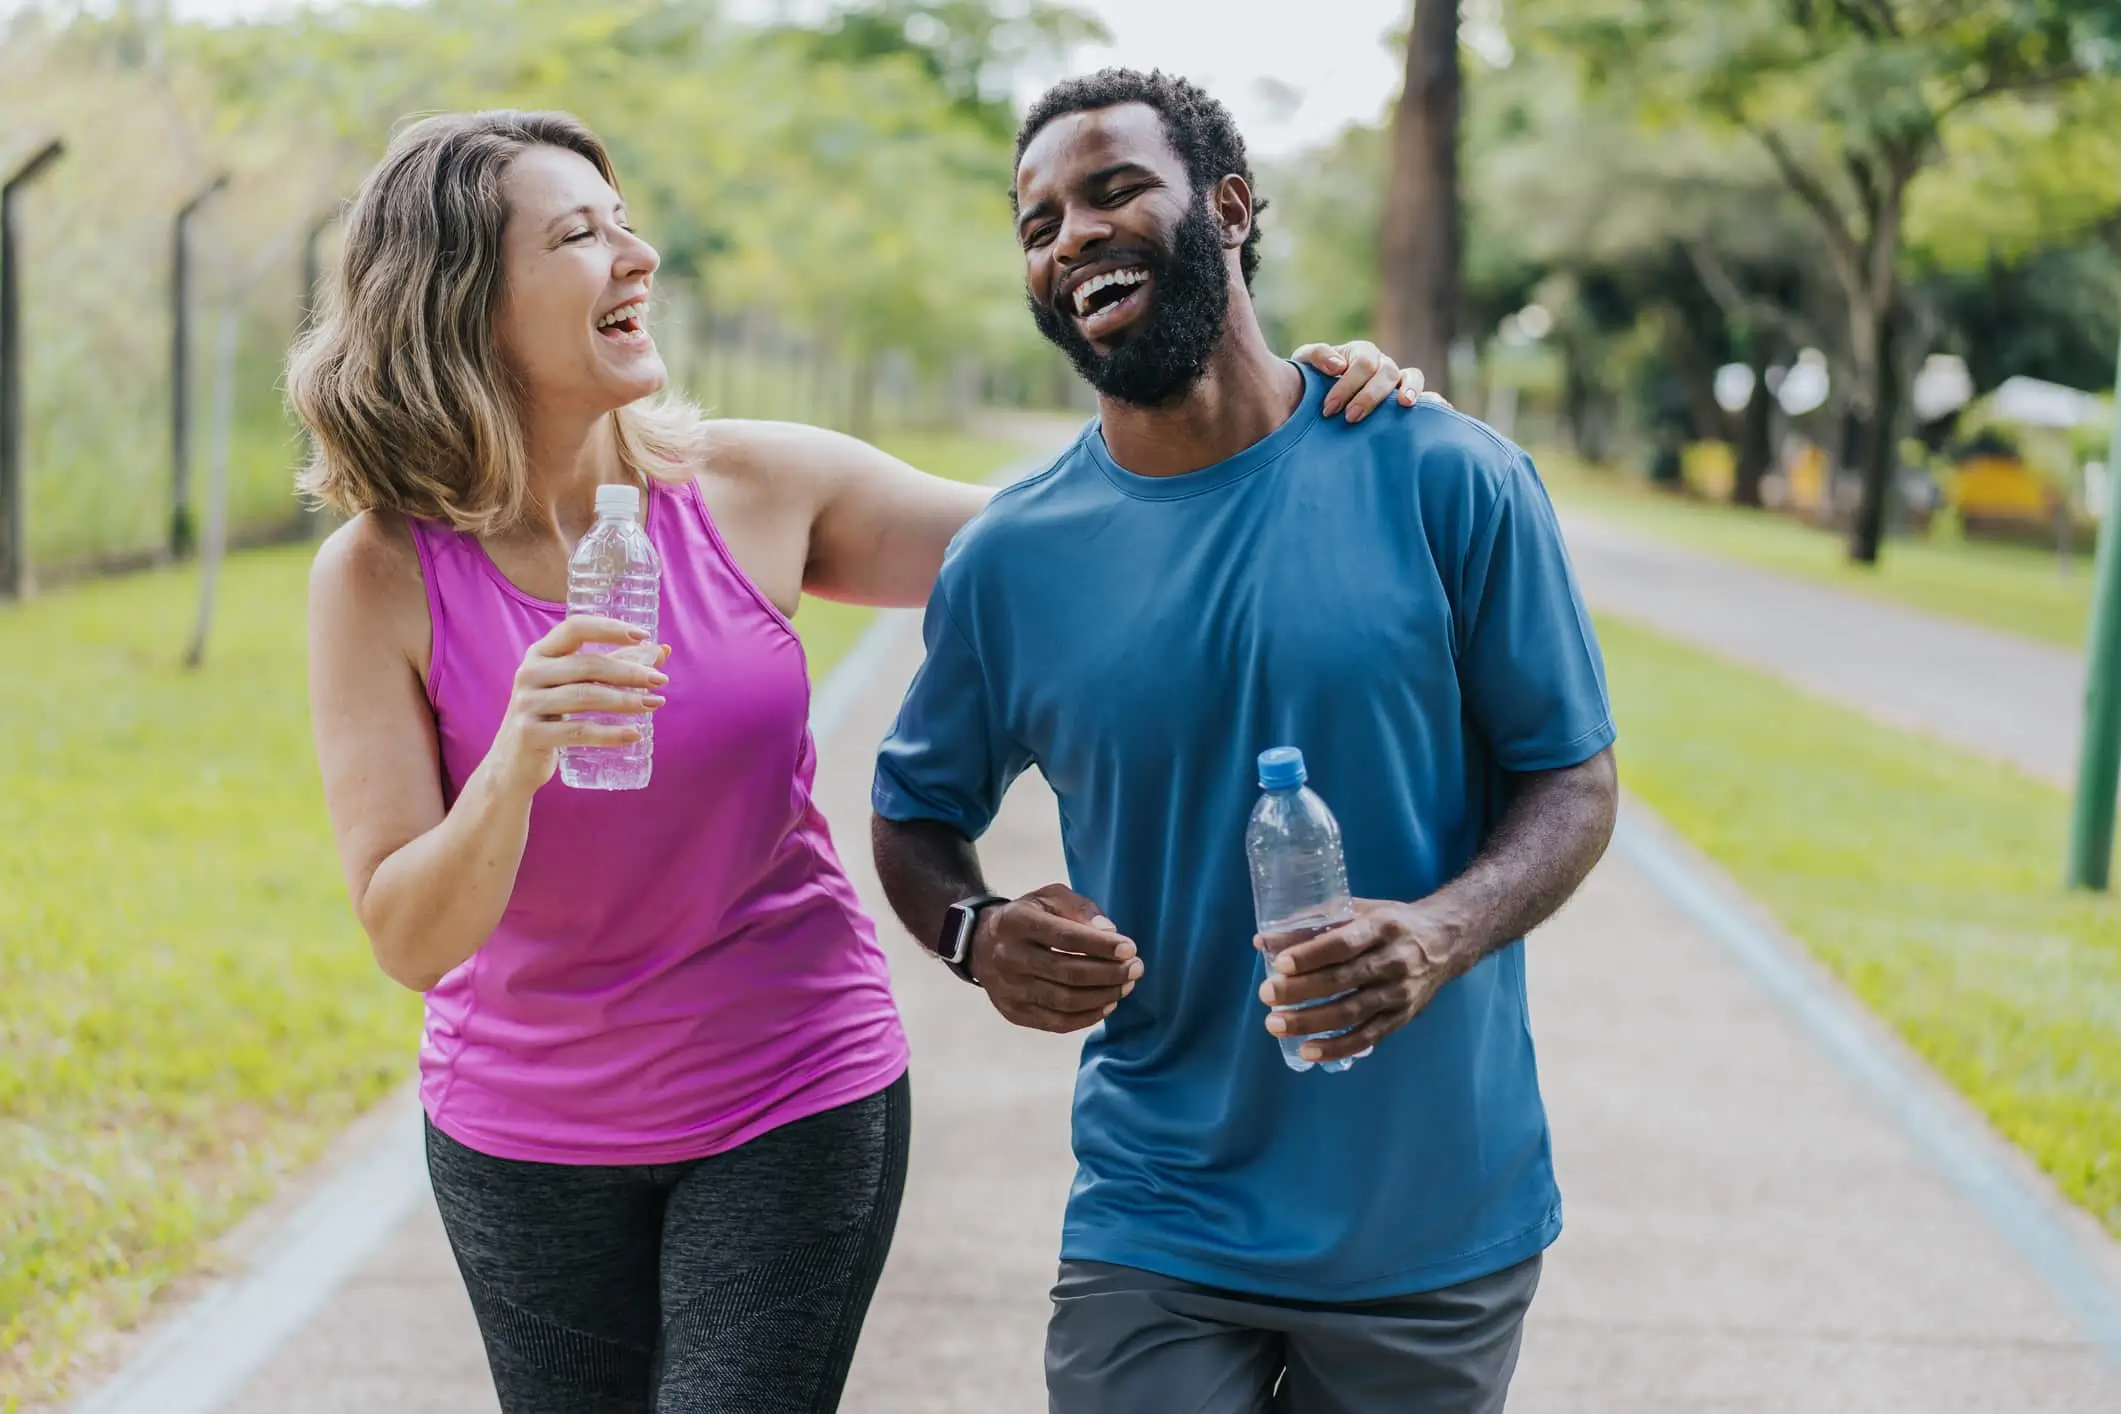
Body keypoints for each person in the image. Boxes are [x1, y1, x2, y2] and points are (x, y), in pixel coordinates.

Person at [291, 107, 1426, 1414]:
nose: (637, 255)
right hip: (524, 1132)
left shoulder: (753, 486)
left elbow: (1083, 540)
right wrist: (515, 761)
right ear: (465, 302)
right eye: (580, 235)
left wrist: (1304, 412)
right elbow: (409, 936)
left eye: (624, 219)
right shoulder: (377, 579)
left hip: (788, 1082)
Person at [870, 69, 1620, 1414]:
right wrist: (975, 931)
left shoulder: (1447, 475)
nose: (1072, 235)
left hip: (1432, 1218)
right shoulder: (1012, 558)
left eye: (1112, 191)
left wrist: (1440, 932)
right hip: (1158, 1208)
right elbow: (913, 811)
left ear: (1227, 207)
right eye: (1036, 222)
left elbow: (1572, 778)